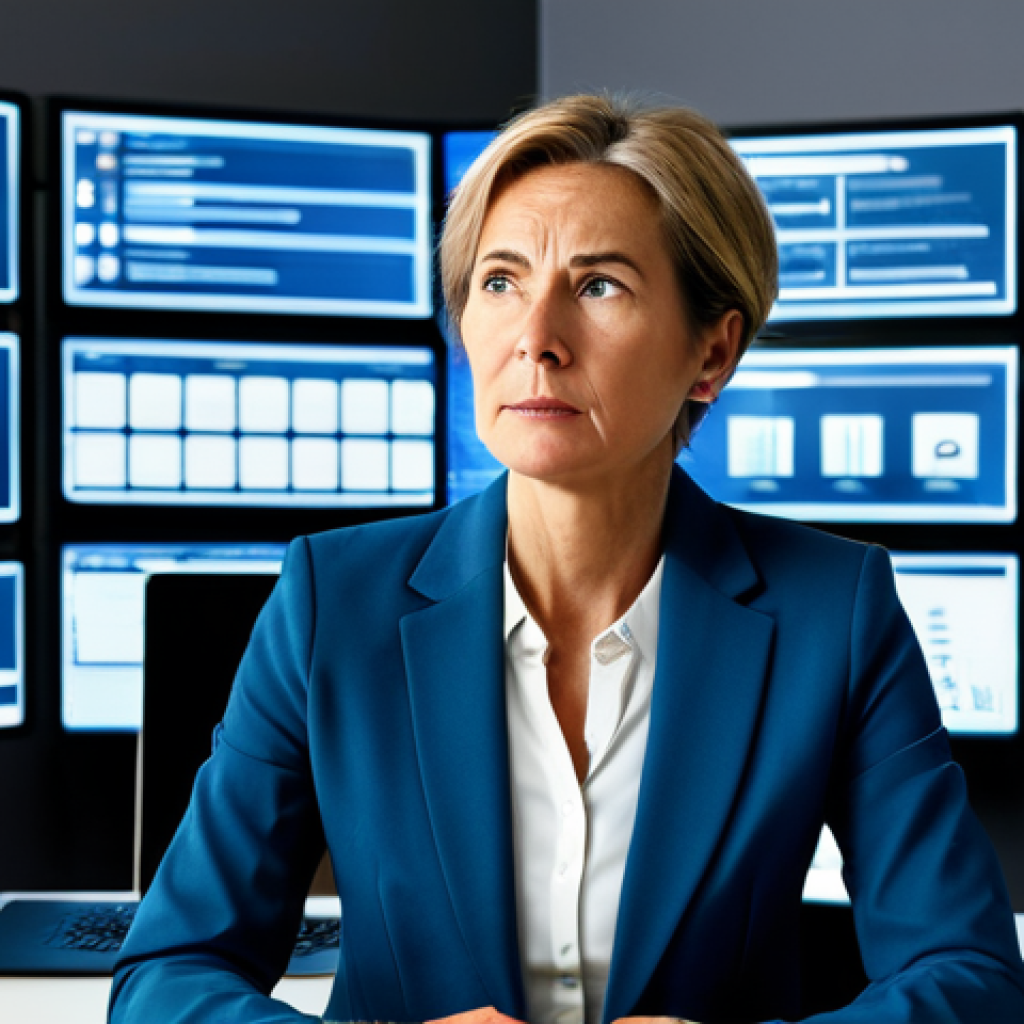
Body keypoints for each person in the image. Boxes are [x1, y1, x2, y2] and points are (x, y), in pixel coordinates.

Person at [108, 95, 1024, 1024]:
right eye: (500, 281)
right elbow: (168, 976)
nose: (534, 339)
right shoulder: (330, 601)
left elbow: (971, 976)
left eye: (598, 287)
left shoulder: (837, 611)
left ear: (711, 354)